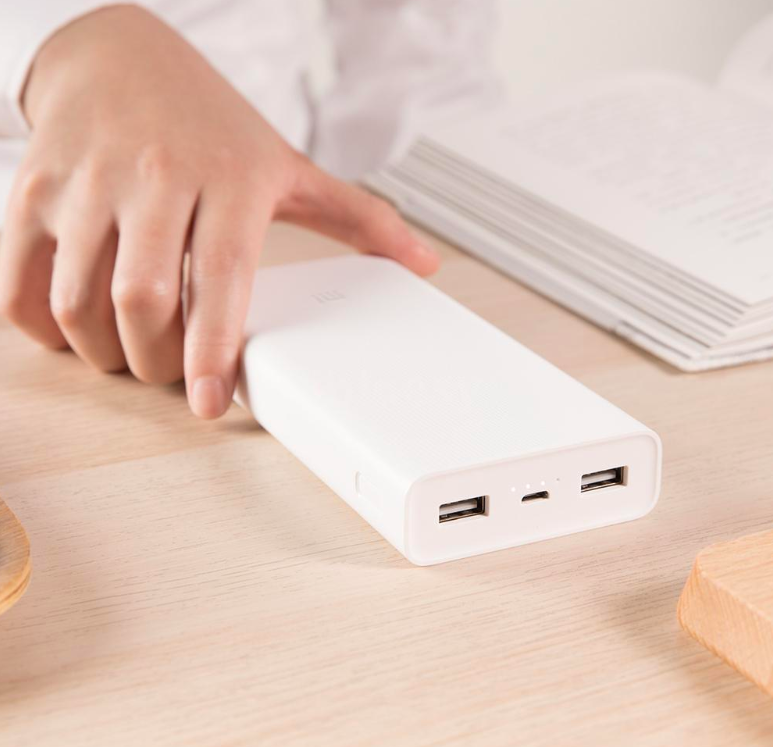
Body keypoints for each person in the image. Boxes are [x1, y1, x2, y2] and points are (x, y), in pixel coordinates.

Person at [0, 1, 498, 418]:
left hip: (284, 219)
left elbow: (419, 41)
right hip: (36, 257)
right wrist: (60, 40)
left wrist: (375, 187)